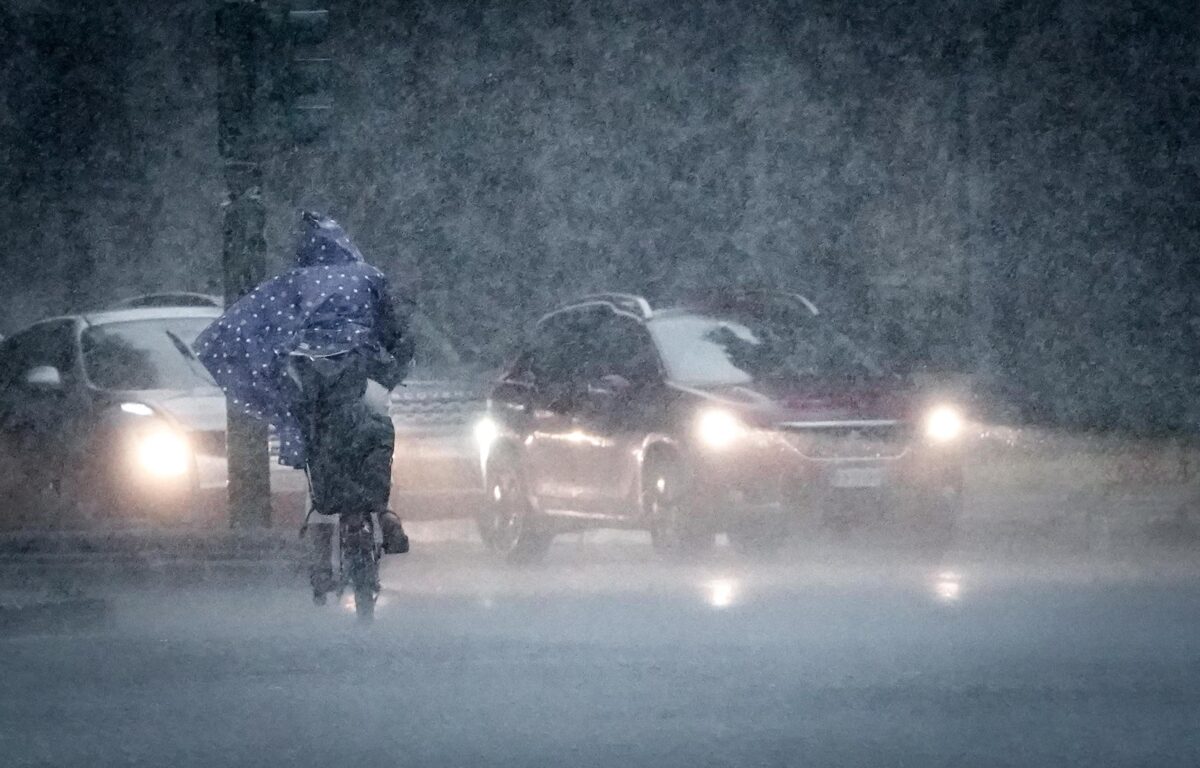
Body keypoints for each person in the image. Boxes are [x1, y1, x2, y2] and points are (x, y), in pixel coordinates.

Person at [196, 211, 413, 601]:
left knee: (317, 462)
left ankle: (318, 559)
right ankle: (384, 514)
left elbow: (264, 327)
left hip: (312, 383)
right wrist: (391, 365)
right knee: (374, 442)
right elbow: (395, 331)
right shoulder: (368, 276)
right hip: (362, 380)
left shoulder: (293, 284)